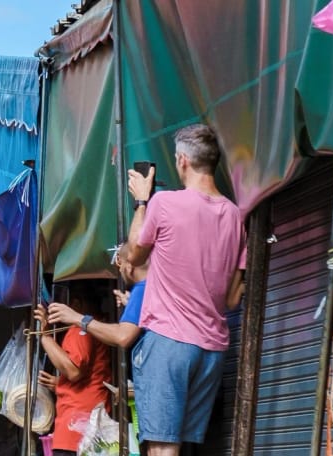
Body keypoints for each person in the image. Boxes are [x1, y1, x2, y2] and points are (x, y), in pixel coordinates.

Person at [116, 124, 246, 455]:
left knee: (162, 448)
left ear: (182, 160)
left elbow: (133, 255)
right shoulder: (234, 216)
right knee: (183, 446)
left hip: (169, 342)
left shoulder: (164, 203)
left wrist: (142, 201)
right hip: (211, 350)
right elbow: (232, 299)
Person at [35, 300, 112, 456]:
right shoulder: (96, 327)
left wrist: (45, 336)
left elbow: (73, 371)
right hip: (86, 425)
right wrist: (60, 384)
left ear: (76, 302)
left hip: (77, 428)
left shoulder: (81, 328)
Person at [46, 247, 152, 349]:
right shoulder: (150, 288)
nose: (120, 269)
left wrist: (76, 318)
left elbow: (123, 337)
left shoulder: (141, 289)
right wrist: (131, 305)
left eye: (120, 263)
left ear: (129, 266)